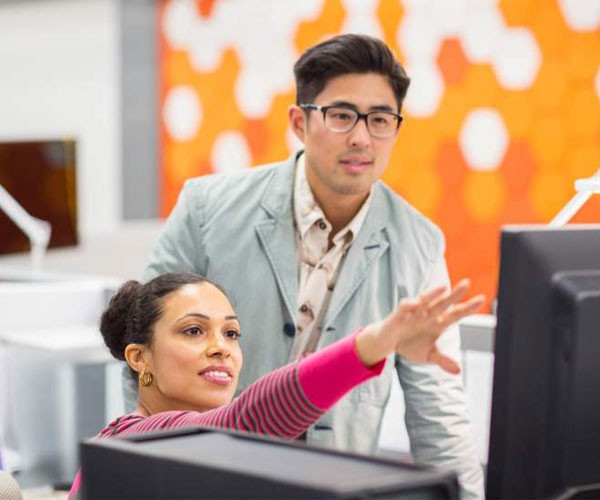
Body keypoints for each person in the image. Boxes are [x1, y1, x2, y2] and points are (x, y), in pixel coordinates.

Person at [138, 34, 485, 498]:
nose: (362, 137)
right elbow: (142, 352)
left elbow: (438, 413)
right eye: (342, 115)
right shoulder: (207, 210)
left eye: (380, 119)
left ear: (396, 130)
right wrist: (142, 474)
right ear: (300, 122)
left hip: (330, 485)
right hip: (209, 476)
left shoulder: (418, 244)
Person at [72, 272, 483, 498]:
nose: (222, 349)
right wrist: (371, 345)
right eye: (194, 331)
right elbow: (247, 419)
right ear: (139, 357)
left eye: (231, 334)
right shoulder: (134, 441)